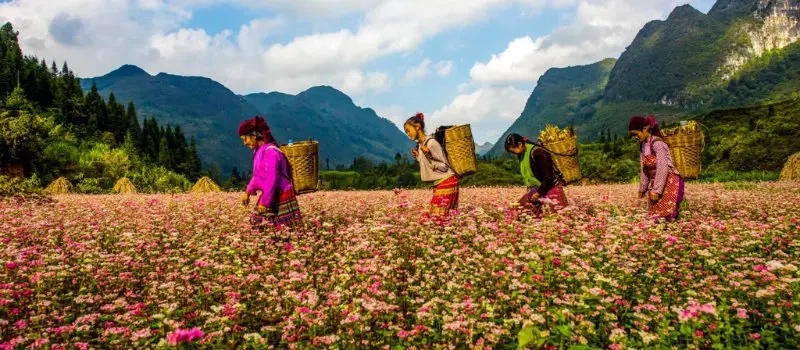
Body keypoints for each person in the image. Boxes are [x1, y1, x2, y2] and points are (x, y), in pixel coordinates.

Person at [238, 115, 302, 229]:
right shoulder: (259, 152)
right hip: (271, 194)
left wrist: (265, 202)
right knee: (262, 228)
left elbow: (271, 179)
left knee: (281, 232)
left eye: (245, 139)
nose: (245, 143)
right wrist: (247, 192)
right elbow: (257, 175)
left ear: (254, 135)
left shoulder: (271, 152)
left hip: (280, 194)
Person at [629, 115, 685, 221]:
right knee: (655, 216)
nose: (635, 137)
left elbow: (662, 167)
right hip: (656, 183)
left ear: (645, 129)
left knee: (667, 214)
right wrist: (642, 188)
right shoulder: (642, 146)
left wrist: (657, 190)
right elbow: (644, 169)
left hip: (670, 182)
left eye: (636, 134)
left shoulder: (658, 143)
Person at [403, 112, 459, 216]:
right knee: (440, 219)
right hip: (439, 183)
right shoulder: (421, 146)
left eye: (408, 130)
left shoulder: (431, 143)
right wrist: (419, 157)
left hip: (447, 181)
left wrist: (428, 154)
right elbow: (429, 164)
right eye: (406, 132)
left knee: (438, 219)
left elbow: (444, 166)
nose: (408, 134)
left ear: (417, 126)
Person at [504, 133, 568, 217]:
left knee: (559, 219)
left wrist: (538, 193)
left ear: (520, 144)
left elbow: (549, 176)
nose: (513, 153)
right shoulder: (521, 155)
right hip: (536, 190)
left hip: (550, 188)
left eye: (513, 150)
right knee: (517, 214)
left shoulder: (539, 152)